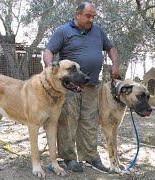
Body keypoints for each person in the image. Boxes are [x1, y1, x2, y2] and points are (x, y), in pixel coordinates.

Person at [43, 2, 119, 172]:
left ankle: (90, 156)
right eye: (88, 16)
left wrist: (115, 65)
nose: (91, 19)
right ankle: (69, 158)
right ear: (77, 14)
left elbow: (111, 48)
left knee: (90, 121)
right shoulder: (63, 31)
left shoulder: (98, 31)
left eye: (93, 17)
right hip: (70, 87)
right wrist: (50, 67)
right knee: (68, 120)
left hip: (92, 85)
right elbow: (48, 51)